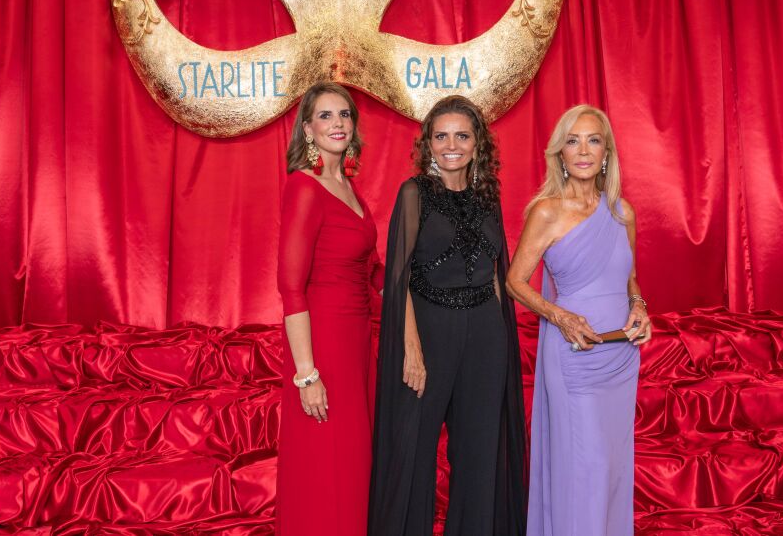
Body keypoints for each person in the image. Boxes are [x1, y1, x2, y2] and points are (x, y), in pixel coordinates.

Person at [368, 95, 527, 536]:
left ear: (478, 144)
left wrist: (501, 339)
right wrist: (411, 348)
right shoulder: (414, 193)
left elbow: (497, 274)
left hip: (486, 333)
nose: (451, 145)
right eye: (441, 136)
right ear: (428, 143)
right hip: (429, 329)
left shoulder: (488, 196)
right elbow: (398, 279)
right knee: (414, 450)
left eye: (462, 135)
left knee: (480, 452)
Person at [506, 105, 653, 536]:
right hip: (574, 354)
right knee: (586, 467)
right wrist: (560, 315)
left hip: (620, 357)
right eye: (573, 141)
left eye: (593, 140)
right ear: (561, 153)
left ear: (606, 152)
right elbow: (514, 281)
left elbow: (629, 275)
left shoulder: (622, 212)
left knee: (611, 469)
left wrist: (639, 306)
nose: (584, 150)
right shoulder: (547, 212)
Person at [276, 82, 383, 535]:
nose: (338, 123)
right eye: (326, 115)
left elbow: (372, 272)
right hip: (323, 345)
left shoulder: (348, 186)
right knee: (327, 463)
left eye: (345, 114)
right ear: (307, 129)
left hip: (357, 342)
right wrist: (307, 374)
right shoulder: (304, 187)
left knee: (353, 464)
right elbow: (290, 287)